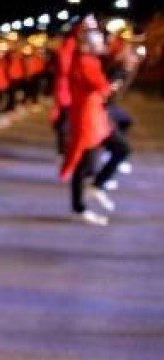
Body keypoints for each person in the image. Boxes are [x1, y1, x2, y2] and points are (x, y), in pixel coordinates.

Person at [59, 17, 128, 224]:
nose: (103, 46)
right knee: (84, 163)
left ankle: (97, 186)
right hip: (88, 118)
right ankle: (79, 207)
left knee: (119, 149)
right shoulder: (85, 61)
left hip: (95, 116)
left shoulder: (91, 60)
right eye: (98, 43)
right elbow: (104, 88)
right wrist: (117, 75)